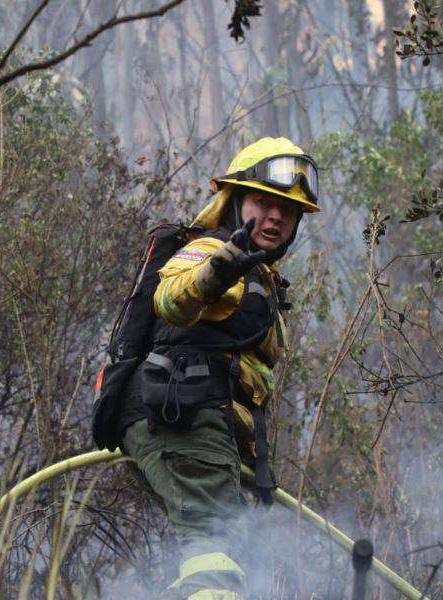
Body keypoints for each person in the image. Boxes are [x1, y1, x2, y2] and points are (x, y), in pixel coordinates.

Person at [120, 137, 320, 599]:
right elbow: (172, 297)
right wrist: (218, 271)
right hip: (183, 416)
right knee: (214, 556)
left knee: (214, 553)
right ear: (232, 201)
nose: (276, 217)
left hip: (193, 424)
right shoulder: (210, 248)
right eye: (264, 203)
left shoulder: (258, 275)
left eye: (287, 211)